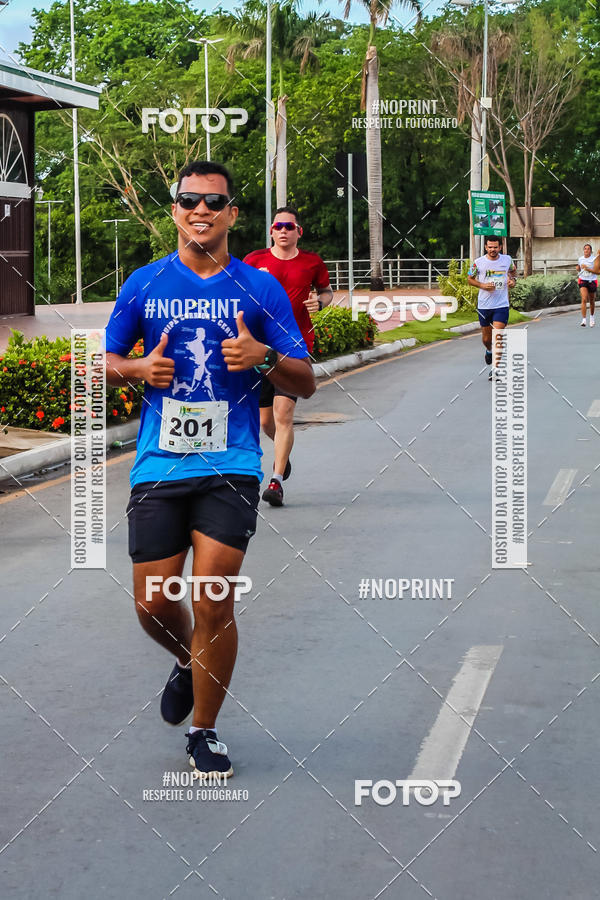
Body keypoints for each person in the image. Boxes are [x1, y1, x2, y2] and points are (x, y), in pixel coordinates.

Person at [105, 161, 315, 777]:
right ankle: (186, 660)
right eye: (190, 199)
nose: (202, 210)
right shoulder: (144, 284)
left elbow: (305, 380)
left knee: (214, 600)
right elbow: (102, 364)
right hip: (160, 464)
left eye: (214, 202)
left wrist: (264, 356)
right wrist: (137, 370)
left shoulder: (259, 288)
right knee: (153, 603)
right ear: (175, 210)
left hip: (231, 463)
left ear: (232, 214)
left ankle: (204, 730)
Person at [243, 207, 332, 506]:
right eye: (278, 226)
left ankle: (276, 481)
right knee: (265, 421)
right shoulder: (254, 260)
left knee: (283, 414)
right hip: (259, 347)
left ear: (298, 232)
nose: (283, 230)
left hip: (294, 346)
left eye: (289, 226)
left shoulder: (312, 262)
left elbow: (326, 291)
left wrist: (320, 302)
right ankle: (284, 454)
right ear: (271, 231)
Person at [467, 236, 517, 381]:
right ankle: (489, 350)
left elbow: (513, 272)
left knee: (498, 336)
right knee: (487, 339)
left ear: (500, 247)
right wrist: (482, 285)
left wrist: (513, 280)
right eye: (490, 247)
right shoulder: (478, 262)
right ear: (486, 247)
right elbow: (470, 279)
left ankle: (495, 370)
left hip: (501, 305)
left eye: (495, 247)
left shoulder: (507, 260)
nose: (492, 250)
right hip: (484, 305)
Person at [576, 244, 596, 327]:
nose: (586, 250)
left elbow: (597, 271)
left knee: (591, 300)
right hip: (583, 280)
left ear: (591, 251)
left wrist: (587, 268)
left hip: (592, 280)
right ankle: (584, 320)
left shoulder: (594, 259)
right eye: (585, 249)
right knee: (584, 298)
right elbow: (579, 269)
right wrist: (578, 269)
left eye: (588, 249)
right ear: (583, 250)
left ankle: (592, 317)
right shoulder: (580, 259)